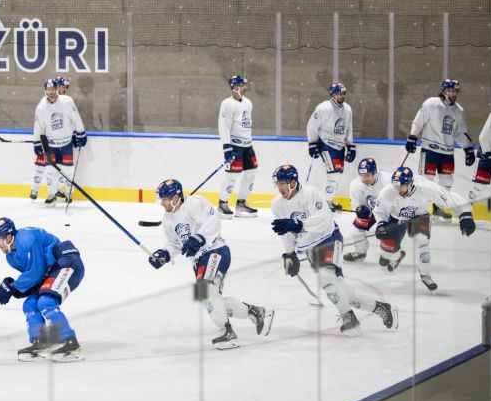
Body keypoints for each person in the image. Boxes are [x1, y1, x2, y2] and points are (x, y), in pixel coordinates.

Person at [270, 164, 397, 336]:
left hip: (329, 238)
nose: (279, 187)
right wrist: (290, 253)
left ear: (293, 182)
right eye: (277, 184)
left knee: (327, 279)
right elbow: (285, 232)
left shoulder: (310, 193)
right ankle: (381, 308)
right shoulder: (277, 204)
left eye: (282, 183)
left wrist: (299, 224)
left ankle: (349, 318)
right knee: (341, 289)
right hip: (310, 248)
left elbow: (323, 219)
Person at [148, 179, 273, 349]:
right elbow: (174, 244)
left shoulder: (195, 203)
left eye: (165, 199)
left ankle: (228, 333)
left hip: (215, 251)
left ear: (176, 197)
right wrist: (164, 254)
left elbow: (212, 222)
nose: (162, 203)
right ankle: (255, 312)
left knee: (207, 291)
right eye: (161, 200)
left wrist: (198, 238)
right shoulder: (167, 219)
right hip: (199, 261)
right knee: (211, 299)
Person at [0, 217, 84, 362]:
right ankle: (41, 342)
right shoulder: (11, 256)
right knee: (30, 305)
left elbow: (36, 272)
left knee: (46, 302)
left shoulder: (27, 239)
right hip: (51, 271)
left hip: (66, 263)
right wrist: (11, 289)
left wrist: (12, 288)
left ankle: (70, 343)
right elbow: (34, 277)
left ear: (8, 237)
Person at [371, 167, 475, 293]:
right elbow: (379, 211)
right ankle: (397, 256)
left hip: (419, 216)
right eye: (396, 185)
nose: (398, 189)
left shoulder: (427, 188)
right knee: (387, 252)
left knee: (422, 242)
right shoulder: (387, 192)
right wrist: (381, 224)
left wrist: (465, 214)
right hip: (396, 218)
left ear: (410, 183)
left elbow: (450, 197)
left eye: (401, 186)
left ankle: (425, 274)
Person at [405, 79, 474, 222]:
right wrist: (412, 137)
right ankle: (421, 210)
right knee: (426, 181)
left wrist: (468, 149)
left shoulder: (458, 110)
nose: (453, 93)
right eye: (450, 90)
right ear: (443, 91)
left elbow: (460, 132)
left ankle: (439, 209)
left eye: (455, 91)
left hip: (447, 152)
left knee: (447, 181)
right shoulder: (431, 103)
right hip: (429, 150)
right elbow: (419, 121)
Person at [32, 78, 87, 204]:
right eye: (48, 89)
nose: (51, 92)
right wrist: (37, 142)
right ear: (45, 90)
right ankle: (52, 194)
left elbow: (76, 118)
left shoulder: (67, 102)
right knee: (50, 171)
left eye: (53, 89)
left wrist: (81, 133)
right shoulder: (41, 107)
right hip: (51, 145)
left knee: (68, 170)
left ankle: (68, 193)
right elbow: (38, 126)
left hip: (66, 143)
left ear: (57, 90)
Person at [306, 83, 356, 212]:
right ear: (332, 94)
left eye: (343, 93)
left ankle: (328, 198)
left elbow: (348, 128)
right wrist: (312, 143)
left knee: (338, 175)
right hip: (325, 144)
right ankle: (326, 203)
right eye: (339, 93)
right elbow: (312, 125)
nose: (342, 96)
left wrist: (350, 146)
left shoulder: (347, 109)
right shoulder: (324, 108)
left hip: (339, 146)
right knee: (333, 175)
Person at [217, 75, 259, 218]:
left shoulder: (248, 102)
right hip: (234, 145)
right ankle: (222, 204)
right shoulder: (227, 104)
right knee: (232, 176)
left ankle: (241, 204)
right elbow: (224, 127)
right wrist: (227, 148)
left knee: (251, 172)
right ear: (235, 87)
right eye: (242, 85)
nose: (245, 87)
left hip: (247, 145)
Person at [343, 157, 392, 265]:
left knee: (386, 230)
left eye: (367, 175)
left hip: (391, 212)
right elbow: (360, 206)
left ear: (375, 173)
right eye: (362, 175)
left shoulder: (389, 181)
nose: (364, 178)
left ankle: (388, 254)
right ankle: (360, 252)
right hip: (375, 210)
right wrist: (364, 211)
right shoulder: (356, 185)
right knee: (355, 230)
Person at [467, 108, 491, 227]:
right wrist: (489, 154)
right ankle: (466, 211)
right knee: (479, 186)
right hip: (487, 154)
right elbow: (484, 136)